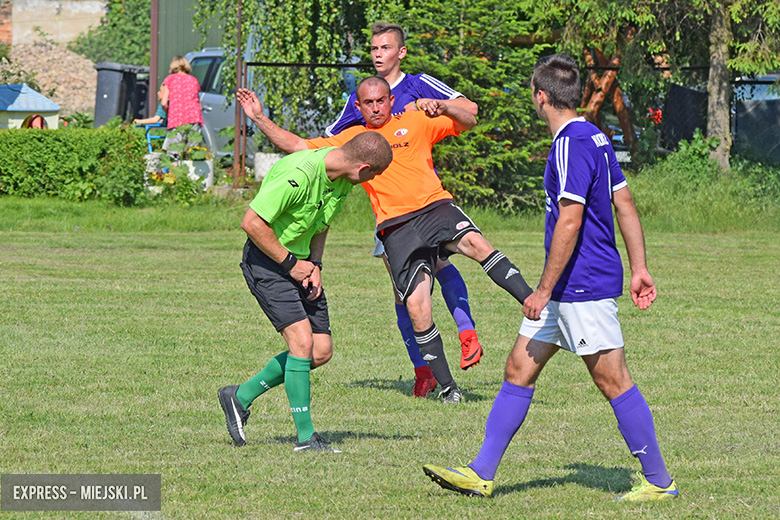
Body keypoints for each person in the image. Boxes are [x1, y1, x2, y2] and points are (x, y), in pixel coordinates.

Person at [422, 54, 678, 502]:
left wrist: (542, 289)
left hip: (580, 287)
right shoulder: (596, 137)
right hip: (569, 288)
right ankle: (481, 472)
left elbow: (570, 220)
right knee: (519, 368)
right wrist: (638, 267)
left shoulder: (569, 144)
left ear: (541, 97)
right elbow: (626, 205)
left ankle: (660, 482)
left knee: (613, 380)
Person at [237, 77, 533, 405]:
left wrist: (443, 105)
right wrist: (259, 118)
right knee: (417, 306)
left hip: (435, 207)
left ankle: (534, 304)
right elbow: (296, 146)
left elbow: (470, 119)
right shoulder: (353, 142)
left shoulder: (417, 119)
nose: (376, 108)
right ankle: (449, 390)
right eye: (368, 103)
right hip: (394, 228)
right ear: (358, 106)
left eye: (381, 101)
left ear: (391, 100)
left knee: (478, 244)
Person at [327, 23, 482, 398]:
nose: (378, 53)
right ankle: (424, 371)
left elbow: (470, 110)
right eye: (373, 48)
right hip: (388, 211)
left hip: (424, 202)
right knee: (404, 293)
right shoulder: (361, 96)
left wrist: (436, 106)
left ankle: (465, 333)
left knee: (437, 269)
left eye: (385, 47)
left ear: (402, 52)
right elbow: (331, 139)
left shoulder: (419, 84)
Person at [218, 131, 393, 453]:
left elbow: (321, 224)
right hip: (268, 262)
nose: (373, 181)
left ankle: (238, 396)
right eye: (375, 176)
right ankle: (306, 438)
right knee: (301, 343)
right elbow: (252, 223)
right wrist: (290, 263)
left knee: (320, 351)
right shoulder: (297, 175)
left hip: (301, 265)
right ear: (364, 168)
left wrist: (315, 265)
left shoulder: (340, 180)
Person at [160, 56, 203, 161]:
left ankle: (174, 176)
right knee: (193, 153)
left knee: (174, 155)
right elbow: (199, 105)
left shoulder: (170, 79)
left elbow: (164, 102)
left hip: (176, 118)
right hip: (193, 118)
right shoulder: (194, 80)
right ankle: (191, 176)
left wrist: (167, 114)